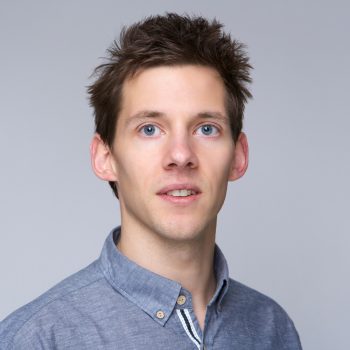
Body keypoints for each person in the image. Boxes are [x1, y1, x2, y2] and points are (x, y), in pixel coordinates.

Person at [0, 13, 302, 349]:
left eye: (206, 128)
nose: (180, 155)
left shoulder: (271, 328)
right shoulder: (38, 338)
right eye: (149, 129)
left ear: (238, 156)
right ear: (105, 158)